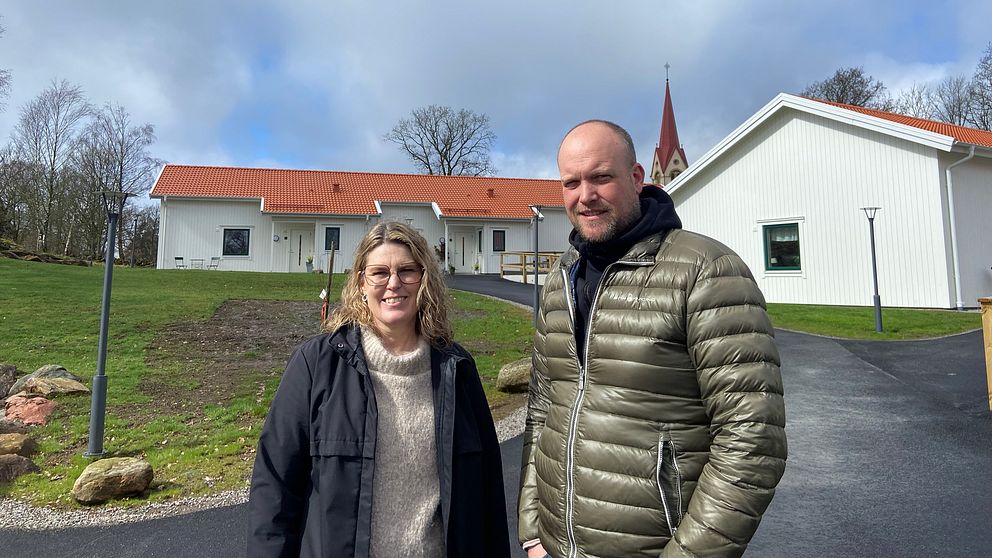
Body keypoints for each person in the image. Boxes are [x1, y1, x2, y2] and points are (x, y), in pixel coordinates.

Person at [518, 120, 787, 558]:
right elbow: (542, 411)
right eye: (572, 182)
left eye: (601, 177)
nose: (585, 195)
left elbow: (752, 439)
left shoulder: (705, 270)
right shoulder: (560, 277)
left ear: (637, 178)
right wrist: (533, 533)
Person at [248, 221, 509, 557]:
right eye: (380, 272)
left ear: (424, 279)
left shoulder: (456, 369)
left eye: (407, 271)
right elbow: (275, 485)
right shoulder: (317, 364)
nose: (394, 283)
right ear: (361, 282)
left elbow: (488, 493)